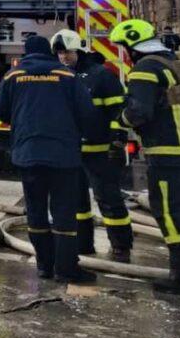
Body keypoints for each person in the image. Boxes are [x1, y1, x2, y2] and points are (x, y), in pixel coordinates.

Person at [0, 34, 101, 284]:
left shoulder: (12, 76)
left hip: (28, 154)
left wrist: (23, 121)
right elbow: (87, 113)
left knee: (35, 211)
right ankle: (66, 269)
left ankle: (44, 265)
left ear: (25, 54)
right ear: (51, 52)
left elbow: (0, 112)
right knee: (64, 212)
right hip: (63, 156)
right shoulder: (67, 76)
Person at [114, 18, 180, 295]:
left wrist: (118, 122)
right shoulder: (177, 65)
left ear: (131, 47)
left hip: (169, 154)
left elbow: (139, 112)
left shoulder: (144, 69)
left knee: (171, 214)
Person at [52, 29, 133, 262]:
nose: (64, 57)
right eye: (59, 53)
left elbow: (119, 109)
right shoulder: (62, 76)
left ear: (78, 50)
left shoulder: (100, 76)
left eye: (67, 52)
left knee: (108, 198)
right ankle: (83, 243)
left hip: (100, 151)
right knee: (76, 201)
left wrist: (118, 140)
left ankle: (121, 245)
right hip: (72, 152)